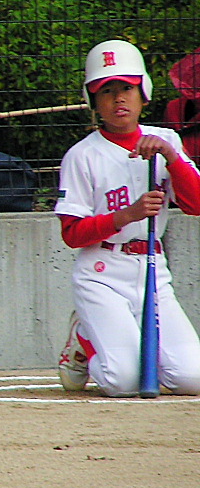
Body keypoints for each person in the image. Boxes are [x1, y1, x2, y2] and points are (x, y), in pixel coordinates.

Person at [55, 39, 200, 397]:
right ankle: (84, 337)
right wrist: (126, 215)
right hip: (101, 272)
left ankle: (117, 339)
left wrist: (171, 157)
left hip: (153, 270)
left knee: (192, 378)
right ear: (93, 101)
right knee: (122, 382)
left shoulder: (166, 140)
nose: (118, 99)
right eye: (107, 91)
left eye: (127, 89)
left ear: (143, 93)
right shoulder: (82, 155)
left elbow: (196, 203)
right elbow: (72, 234)